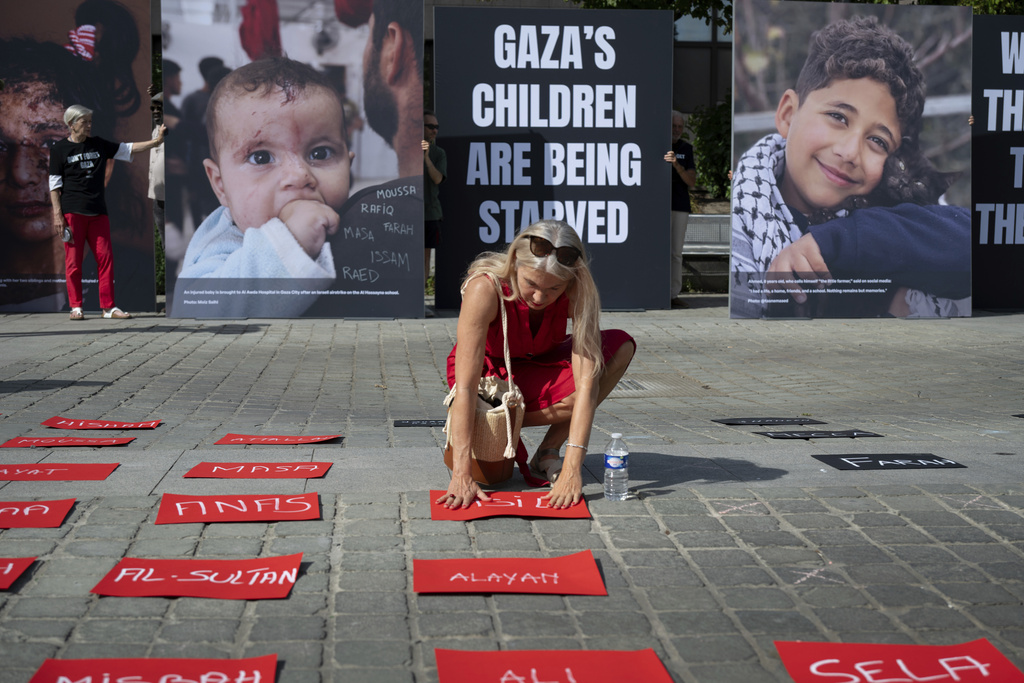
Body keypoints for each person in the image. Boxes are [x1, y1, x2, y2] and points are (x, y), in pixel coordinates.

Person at [730, 16, 970, 318]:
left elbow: (972, 243)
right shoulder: (736, 228)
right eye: (838, 117)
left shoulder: (899, 212)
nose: (849, 153)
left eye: (878, 141)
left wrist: (842, 239)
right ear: (788, 115)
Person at [439, 220, 636, 510]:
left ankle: (547, 451)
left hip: (538, 361)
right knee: (490, 477)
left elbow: (586, 384)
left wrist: (572, 469)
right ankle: (501, 423)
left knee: (618, 348)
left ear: (570, 280)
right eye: (531, 284)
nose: (540, 297)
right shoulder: (484, 288)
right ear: (514, 263)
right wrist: (461, 473)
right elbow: (467, 387)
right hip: (488, 377)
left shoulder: (579, 289)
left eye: (554, 288)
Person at [175, 58, 351, 314]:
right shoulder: (222, 243)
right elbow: (191, 309)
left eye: (320, 153)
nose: (299, 175)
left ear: (349, 164)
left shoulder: (355, 219)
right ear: (220, 185)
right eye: (261, 157)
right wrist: (289, 243)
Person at [49, 104, 166, 319]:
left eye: (90, 122)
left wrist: (156, 142)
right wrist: (58, 215)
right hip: (72, 212)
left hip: (98, 212)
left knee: (105, 258)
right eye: (84, 122)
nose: (89, 125)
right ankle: (76, 307)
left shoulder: (99, 144)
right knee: (73, 262)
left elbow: (129, 148)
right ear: (71, 124)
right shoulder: (59, 149)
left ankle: (108, 307)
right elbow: (54, 185)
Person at [663, 110, 696, 303]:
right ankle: (657, 291)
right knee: (659, 250)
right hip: (658, 205)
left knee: (676, 252)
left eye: (679, 127)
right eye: (673, 126)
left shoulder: (686, 148)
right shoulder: (659, 144)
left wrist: (677, 165)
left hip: (679, 205)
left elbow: (691, 181)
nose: (676, 130)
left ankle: (673, 294)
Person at [422, 110, 446, 286]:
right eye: (430, 126)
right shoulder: (406, 150)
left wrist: (426, 158)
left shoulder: (438, 153)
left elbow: (437, 179)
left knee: (425, 256)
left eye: (436, 127)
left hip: (429, 214)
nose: (434, 130)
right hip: (406, 212)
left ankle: (421, 296)